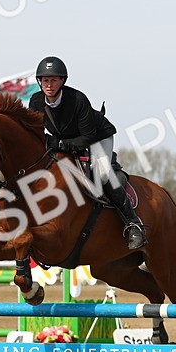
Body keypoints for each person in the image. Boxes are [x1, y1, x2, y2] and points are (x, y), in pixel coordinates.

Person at [27, 56, 146, 250]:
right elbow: (35, 132)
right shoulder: (36, 101)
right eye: (45, 80)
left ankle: (133, 224)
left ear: (62, 81)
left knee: (103, 174)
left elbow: (88, 137)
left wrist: (60, 144)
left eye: (54, 80)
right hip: (67, 140)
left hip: (98, 138)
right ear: (40, 82)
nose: (49, 84)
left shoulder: (77, 99)